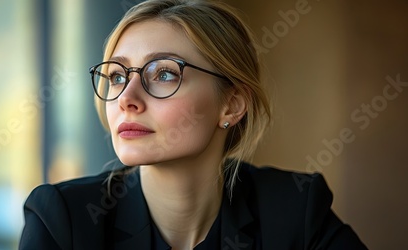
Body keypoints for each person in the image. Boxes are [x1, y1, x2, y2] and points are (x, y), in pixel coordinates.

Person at [19, 0, 367, 249]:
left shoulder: (295, 210)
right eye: (116, 76)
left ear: (231, 104)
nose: (127, 97)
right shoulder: (64, 220)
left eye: (165, 74)